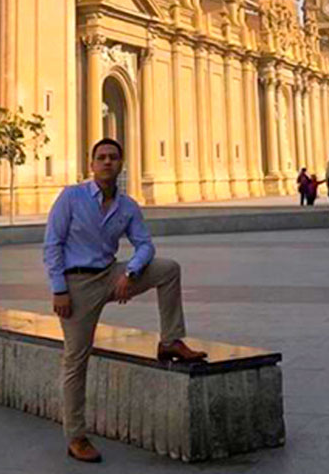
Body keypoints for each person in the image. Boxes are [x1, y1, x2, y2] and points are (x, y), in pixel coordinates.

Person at [44, 138, 207, 464]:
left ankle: (170, 341)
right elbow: (52, 244)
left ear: (121, 164)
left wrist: (129, 273)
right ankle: (75, 437)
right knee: (76, 360)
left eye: (113, 157)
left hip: (112, 275)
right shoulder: (70, 197)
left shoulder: (128, 205)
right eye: (101, 157)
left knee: (168, 270)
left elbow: (145, 246)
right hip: (76, 285)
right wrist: (59, 289)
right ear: (92, 164)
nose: (107, 162)